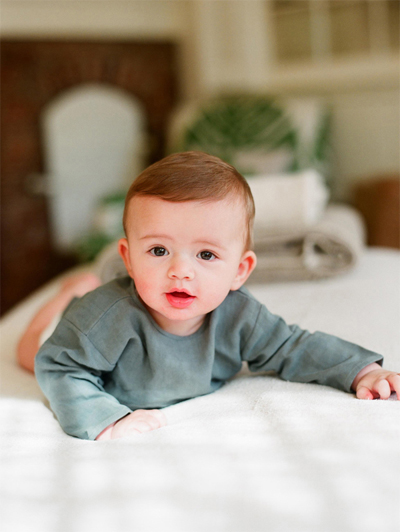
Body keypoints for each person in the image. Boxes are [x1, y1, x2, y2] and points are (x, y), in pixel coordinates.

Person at [31, 151, 399, 441]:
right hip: (70, 328)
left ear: (240, 270)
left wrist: (362, 371)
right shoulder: (105, 317)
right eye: (158, 250)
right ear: (127, 259)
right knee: (29, 351)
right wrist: (106, 421)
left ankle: (78, 287)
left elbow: (294, 347)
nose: (181, 271)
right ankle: (73, 291)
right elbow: (58, 366)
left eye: (206, 255)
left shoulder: (240, 315)